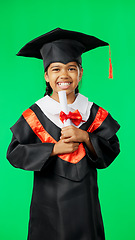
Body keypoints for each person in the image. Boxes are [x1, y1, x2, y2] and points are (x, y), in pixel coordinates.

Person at [6, 28, 120, 240]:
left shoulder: (91, 111)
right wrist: (54, 149)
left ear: (81, 73)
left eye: (72, 68)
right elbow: (14, 152)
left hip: (85, 202)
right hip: (48, 204)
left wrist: (85, 137)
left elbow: (112, 147)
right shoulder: (36, 113)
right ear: (47, 76)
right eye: (56, 69)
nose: (64, 75)